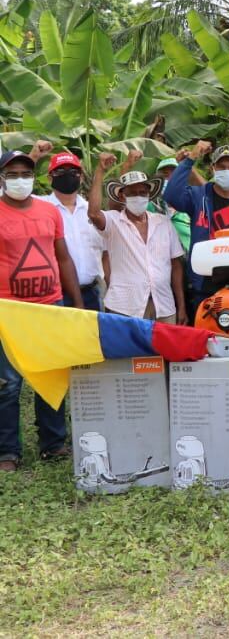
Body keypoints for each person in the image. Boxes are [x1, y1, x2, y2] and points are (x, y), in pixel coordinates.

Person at [0, 150, 84, 471]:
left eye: (25, 174)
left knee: (51, 378)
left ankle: (53, 443)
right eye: (12, 174)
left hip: (50, 306)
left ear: (34, 178)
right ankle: (7, 452)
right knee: (9, 384)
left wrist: (76, 304)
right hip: (8, 311)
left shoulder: (49, 212)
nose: (19, 180)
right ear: (1, 179)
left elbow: (63, 258)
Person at [87, 151, 186, 324]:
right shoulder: (114, 221)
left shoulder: (163, 223)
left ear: (149, 195)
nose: (138, 197)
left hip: (163, 306)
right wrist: (100, 171)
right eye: (132, 193)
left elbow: (176, 266)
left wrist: (181, 305)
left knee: (164, 344)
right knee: (126, 343)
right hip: (125, 308)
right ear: (122, 196)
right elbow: (94, 214)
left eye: (142, 192)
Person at [163, 140, 229, 313]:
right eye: (222, 166)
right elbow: (171, 195)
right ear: (212, 169)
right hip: (206, 281)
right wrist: (190, 159)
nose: (227, 170)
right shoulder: (198, 196)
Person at [30, 143, 102, 310]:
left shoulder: (92, 211)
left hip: (92, 293)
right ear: (50, 178)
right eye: (60, 171)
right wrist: (33, 158)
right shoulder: (39, 206)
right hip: (57, 296)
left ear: (81, 178)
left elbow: (104, 252)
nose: (67, 175)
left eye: (73, 171)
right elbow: (5, 193)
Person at [152, 156, 192, 253]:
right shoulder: (148, 206)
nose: (170, 179)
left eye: (175, 175)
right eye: (165, 175)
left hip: (191, 258)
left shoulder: (192, 206)